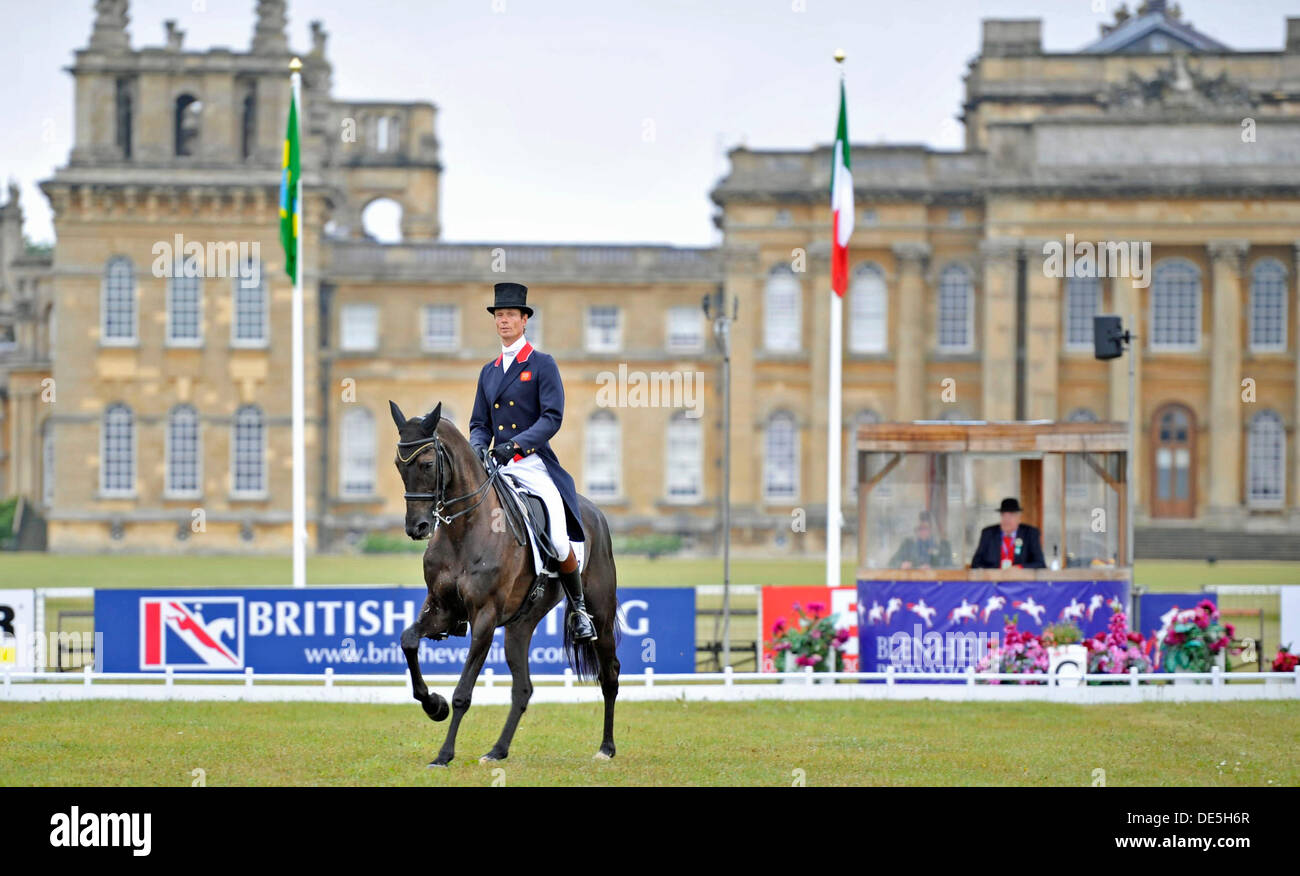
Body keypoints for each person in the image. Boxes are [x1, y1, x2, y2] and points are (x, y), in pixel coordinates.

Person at [468, 282, 596, 642]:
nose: (504, 321)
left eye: (511, 315)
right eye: (499, 315)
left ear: (524, 321)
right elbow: (479, 422)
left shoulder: (541, 364)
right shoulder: (489, 371)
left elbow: (552, 417)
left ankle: (580, 610)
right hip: (497, 466)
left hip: (533, 463)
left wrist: (516, 445)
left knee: (556, 537)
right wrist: (479, 445)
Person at [970, 497, 1046, 569]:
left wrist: (1019, 568)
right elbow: (975, 563)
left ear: (1019, 518)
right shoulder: (988, 533)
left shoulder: (1030, 533)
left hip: (1020, 581)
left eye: (1011, 516)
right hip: (993, 580)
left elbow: (1040, 563)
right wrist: (996, 571)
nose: (1007, 520)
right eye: (1004, 516)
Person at [889, 510, 953, 569]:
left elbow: (950, 566)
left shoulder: (943, 545)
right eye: (919, 528)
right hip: (914, 579)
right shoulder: (907, 544)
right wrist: (901, 564)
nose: (922, 532)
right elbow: (892, 563)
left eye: (925, 528)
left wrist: (932, 567)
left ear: (932, 529)